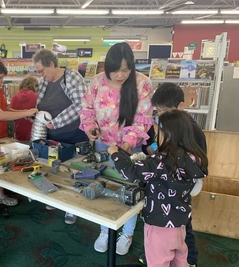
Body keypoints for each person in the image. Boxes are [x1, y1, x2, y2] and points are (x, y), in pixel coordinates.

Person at [107, 109, 208, 267]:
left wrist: (115, 154)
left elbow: (132, 173)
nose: (156, 137)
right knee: (180, 260)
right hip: (180, 225)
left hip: (159, 227)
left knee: (158, 263)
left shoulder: (159, 161)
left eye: (157, 133)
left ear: (167, 135)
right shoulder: (193, 157)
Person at [79, 42, 153, 255]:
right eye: (115, 70)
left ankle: (127, 233)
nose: (120, 75)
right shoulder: (96, 83)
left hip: (131, 148)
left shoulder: (142, 83)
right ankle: (106, 229)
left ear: (132, 67)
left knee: (129, 189)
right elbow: (87, 109)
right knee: (105, 187)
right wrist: (91, 127)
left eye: (126, 70)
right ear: (107, 66)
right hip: (103, 145)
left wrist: (128, 143)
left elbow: (143, 119)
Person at [138, 82, 208, 267]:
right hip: (165, 185)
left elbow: (198, 162)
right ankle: (159, 255)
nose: (161, 115)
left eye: (166, 111)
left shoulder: (191, 130)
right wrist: (152, 152)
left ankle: (190, 261)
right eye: (159, 111)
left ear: (181, 106)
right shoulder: (162, 124)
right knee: (170, 227)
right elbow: (159, 148)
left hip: (180, 188)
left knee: (184, 226)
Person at [33, 49, 88, 224]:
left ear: (51, 64)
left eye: (42, 70)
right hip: (52, 136)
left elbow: (81, 105)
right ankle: (55, 199)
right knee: (53, 170)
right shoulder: (44, 83)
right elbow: (40, 104)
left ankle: (71, 207)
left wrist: (56, 122)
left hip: (73, 135)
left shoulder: (72, 78)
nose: (40, 75)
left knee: (73, 173)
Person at [0, 59, 38, 212]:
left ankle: (0, 195)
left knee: (1, 166)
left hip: (1, 136)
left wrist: (23, 115)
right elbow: (1, 115)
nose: (2, 80)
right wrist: (27, 112)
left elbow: (7, 110)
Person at [10, 76, 38, 141]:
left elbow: (11, 116)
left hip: (18, 129)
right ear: (34, 86)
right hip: (33, 130)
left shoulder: (14, 97)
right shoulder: (36, 97)